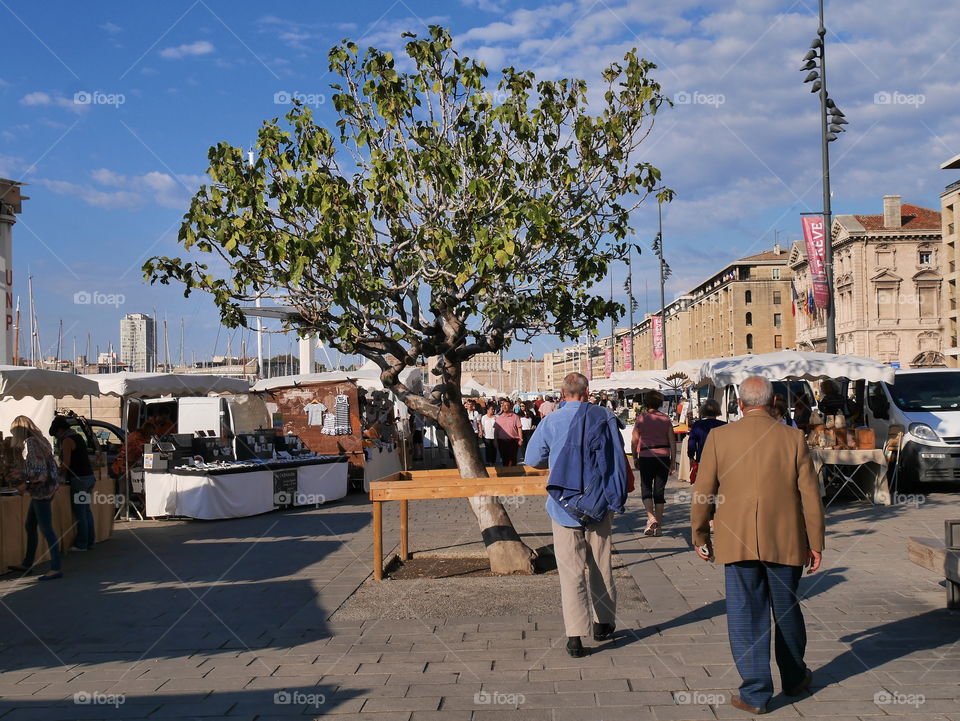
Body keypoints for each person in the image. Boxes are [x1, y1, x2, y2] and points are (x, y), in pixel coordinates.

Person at [691, 375, 825, 715]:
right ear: (771, 402)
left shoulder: (720, 437)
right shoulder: (793, 438)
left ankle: (755, 692)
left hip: (737, 541)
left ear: (740, 404)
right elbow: (810, 495)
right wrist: (816, 541)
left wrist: (700, 534)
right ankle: (795, 679)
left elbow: (703, 489)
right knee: (787, 612)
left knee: (745, 616)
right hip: (786, 540)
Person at [524, 373, 628, 658]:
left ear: (562, 393)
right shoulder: (604, 417)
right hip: (599, 503)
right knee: (601, 565)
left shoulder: (550, 421)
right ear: (586, 392)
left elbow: (532, 460)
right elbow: (617, 458)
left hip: (563, 505)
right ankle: (603, 623)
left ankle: (574, 636)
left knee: (571, 572)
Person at [7, 417, 63, 580]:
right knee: (30, 525)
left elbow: (39, 471)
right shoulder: (42, 439)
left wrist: (25, 483)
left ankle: (56, 567)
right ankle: (27, 563)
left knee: (46, 529)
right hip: (46, 488)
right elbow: (41, 467)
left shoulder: (32, 442)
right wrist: (23, 474)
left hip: (41, 490)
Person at [632, 390, 676, 537]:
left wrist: (635, 457)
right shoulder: (665, 419)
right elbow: (672, 442)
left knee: (646, 489)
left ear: (646, 403)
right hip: (663, 456)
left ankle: (651, 518)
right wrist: (672, 461)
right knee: (659, 491)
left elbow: (634, 440)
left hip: (646, 455)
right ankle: (659, 527)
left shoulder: (642, 418)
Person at [50, 417, 96, 551]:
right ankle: (90, 541)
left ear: (59, 430)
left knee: (80, 512)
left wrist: (56, 473)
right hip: (88, 477)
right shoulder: (78, 437)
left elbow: (66, 464)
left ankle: (82, 544)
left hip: (79, 479)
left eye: (56, 434)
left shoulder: (67, 440)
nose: (57, 437)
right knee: (86, 510)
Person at [686, 399, 725, 483]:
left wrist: (691, 456)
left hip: (702, 459)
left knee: (704, 486)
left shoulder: (697, 425)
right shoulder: (724, 425)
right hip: (720, 460)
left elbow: (691, 442)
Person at [494, 399, 523, 466]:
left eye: (507, 405)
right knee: (504, 459)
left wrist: (521, 439)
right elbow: (496, 430)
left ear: (510, 407)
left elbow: (519, 428)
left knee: (513, 459)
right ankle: (506, 474)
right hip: (502, 441)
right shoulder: (499, 418)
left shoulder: (515, 417)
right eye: (503, 405)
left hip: (513, 441)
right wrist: (495, 440)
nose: (505, 407)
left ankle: (513, 474)